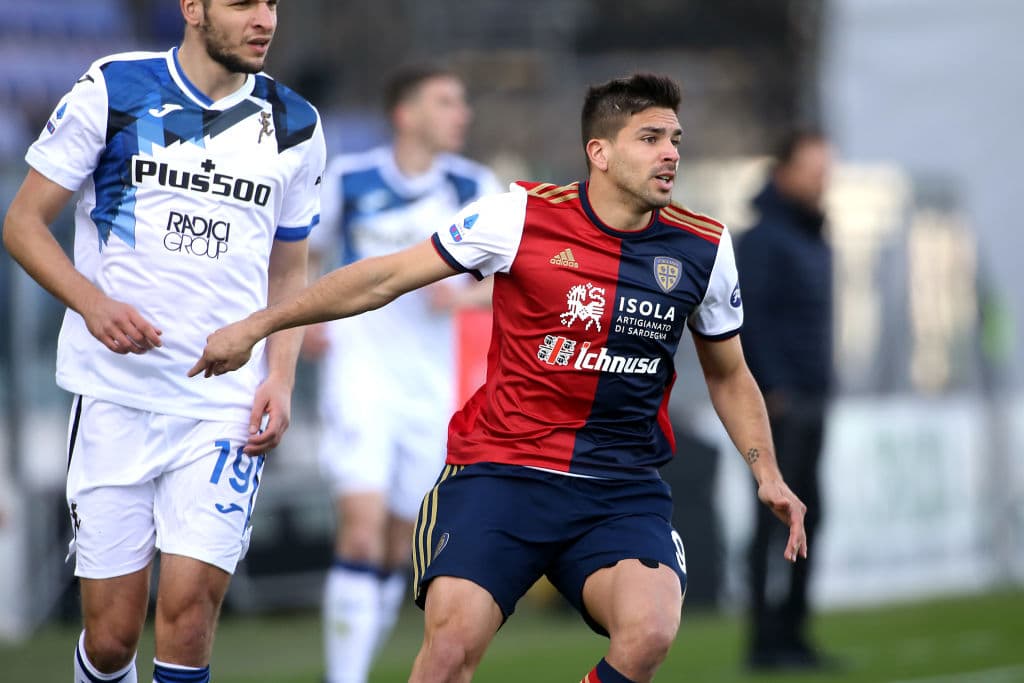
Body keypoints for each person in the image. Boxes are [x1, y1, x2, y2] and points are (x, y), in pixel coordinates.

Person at [190, 73, 808, 683]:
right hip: (502, 473)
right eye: (650, 138)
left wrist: (767, 472)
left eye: (675, 138)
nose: (670, 152)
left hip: (619, 487)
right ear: (600, 152)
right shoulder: (520, 216)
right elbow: (383, 278)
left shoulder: (704, 247)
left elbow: (729, 374)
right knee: (450, 649)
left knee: (648, 633)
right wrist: (256, 327)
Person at [1, 1, 325, 681]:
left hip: (223, 404)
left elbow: (290, 265)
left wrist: (280, 376)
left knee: (187, 611)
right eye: (242, 4)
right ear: (192, 8)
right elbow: (24, 222)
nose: (264, 19)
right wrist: (91, 304)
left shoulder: (296, 123)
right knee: (114, 634)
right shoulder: (114, 89)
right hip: (115, 395)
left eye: (272, 3)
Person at [306, 65, 499, 683]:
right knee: (360, 535)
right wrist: (307, 317)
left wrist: (465, 297)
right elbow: (302, 250)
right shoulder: (351, 179)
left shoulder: (475, 185)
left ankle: (354, 660)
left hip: (431, 389)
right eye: (446, 102)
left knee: (398, 546)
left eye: (462, 102)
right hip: (358, 375)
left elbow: (515, 277)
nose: (461, 114)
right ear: (406, 114)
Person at [735, 129, 835, 672]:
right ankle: (763, 641)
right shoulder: (764, 240)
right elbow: (750, 321)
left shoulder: (811, 234)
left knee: (811, 516)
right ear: (785, 173)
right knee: (774, 518)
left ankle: (794, 635)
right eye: (816, 169)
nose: (824, 180)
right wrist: (772, 389)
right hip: (782, 404)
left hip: (814, 396)